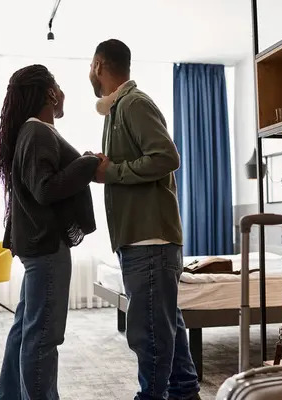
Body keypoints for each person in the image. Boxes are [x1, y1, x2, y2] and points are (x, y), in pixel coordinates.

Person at [89, 39, 201, 400]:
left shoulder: (134, 104)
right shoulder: (117, 110)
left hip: (149, 241)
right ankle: (185, 393)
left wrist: (113, 172)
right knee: (166, 326)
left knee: (149, 332)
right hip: (140, 239)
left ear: (99, 65)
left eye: (91, 67)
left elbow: (167, 157)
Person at [0, 64, 100, 400]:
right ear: (51, 93)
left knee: (26, 329)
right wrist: (87, 162)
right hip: (45, 247)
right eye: (59, 87)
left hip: (36, 245)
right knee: (43, 336)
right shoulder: (38, 132)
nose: (63, 93)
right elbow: (44, 189)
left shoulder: (30, 131)